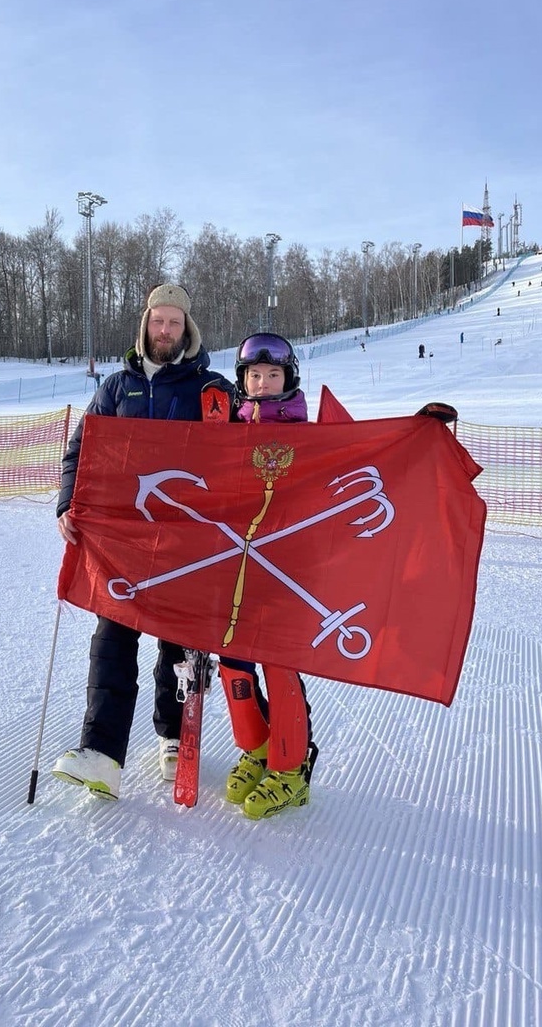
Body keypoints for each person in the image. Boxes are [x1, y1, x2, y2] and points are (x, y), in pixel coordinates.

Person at [52, 284, 235, 801]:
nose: (165, 331)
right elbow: (81, 450)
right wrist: (69, 505)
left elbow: (250, 444)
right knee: (113, 638)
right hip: (124, 540)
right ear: (145, 325)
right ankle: (103, 754)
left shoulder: (212, 389)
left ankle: (174, 734)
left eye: (175, 323)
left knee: (176, 639)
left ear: (188, 329)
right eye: (158, 321)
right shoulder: (115, 388)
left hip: (186, 539)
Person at [217, 333, 318, 820]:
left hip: (287, 570)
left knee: (279, 664)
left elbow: (366, 461)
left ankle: (291, 767)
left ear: (288, 378)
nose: (261, 384)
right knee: (232, 661)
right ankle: (256, 749)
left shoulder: (313, 436)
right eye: (253, 376)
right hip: (235, 569)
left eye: (272, 375)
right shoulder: (225, 434)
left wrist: (419, 435)